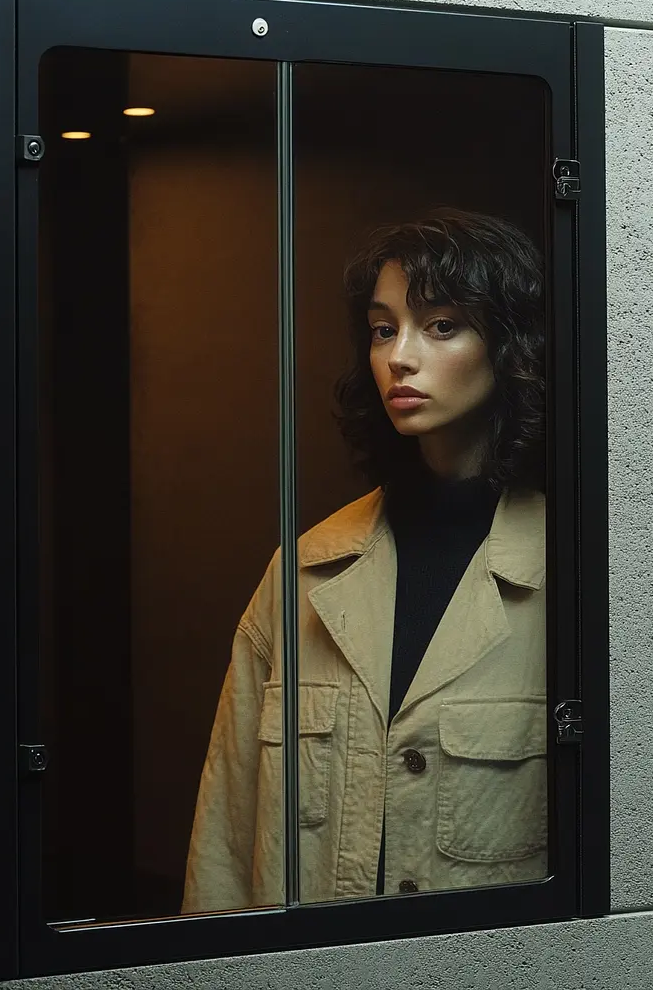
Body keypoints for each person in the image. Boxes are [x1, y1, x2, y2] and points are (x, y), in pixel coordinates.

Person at [182, 207, 547, 913]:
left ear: (509, 346)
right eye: (384, 329)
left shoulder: (582, 571)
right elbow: (225, 845)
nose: (399, 356)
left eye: (441, 325)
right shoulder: (306, 569)